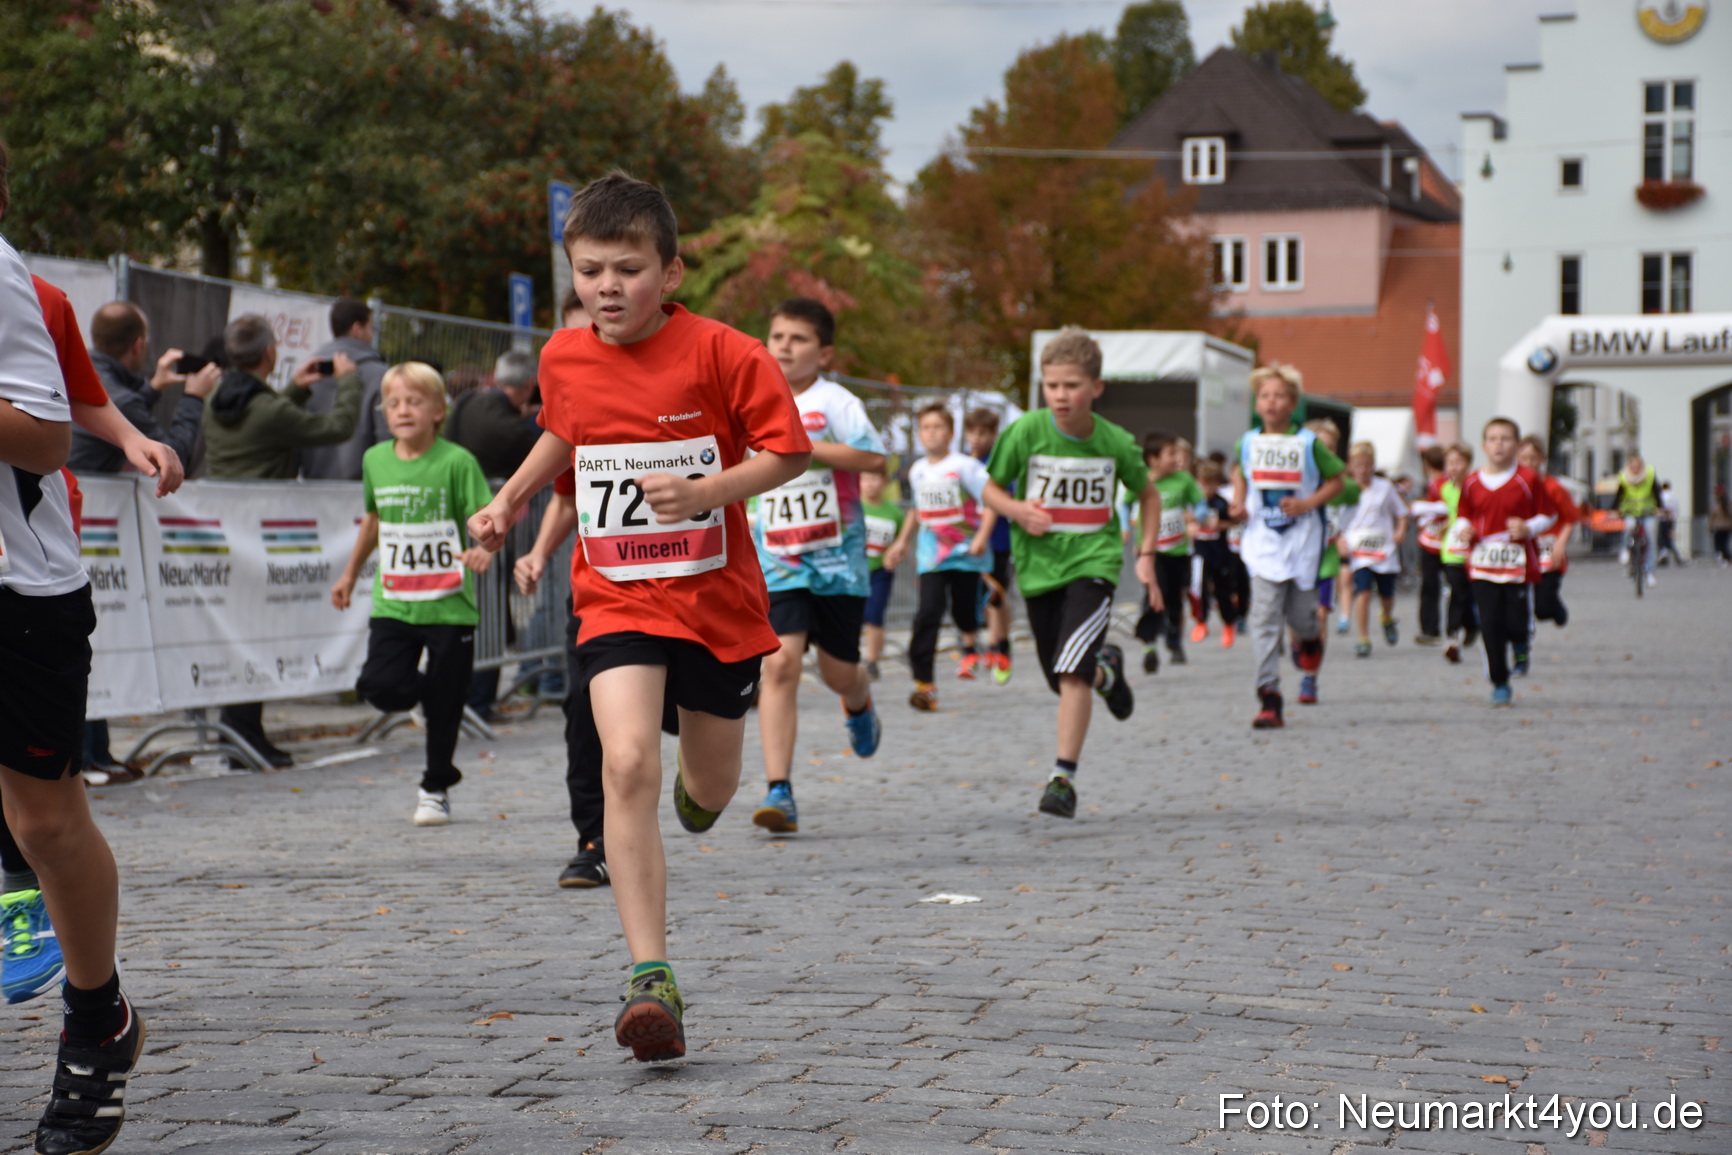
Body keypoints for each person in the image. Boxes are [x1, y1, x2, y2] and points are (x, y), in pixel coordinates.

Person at [468, 171, 811, 1063]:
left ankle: (700, 802)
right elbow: (567, 431)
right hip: (616, 591)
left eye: (628, 268)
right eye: (590, 270)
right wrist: (509, 502)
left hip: (715, 601)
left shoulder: (725, 353)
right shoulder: (565, 356)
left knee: (712, 786)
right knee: (624, 761)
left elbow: (787, 452)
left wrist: (705, 490)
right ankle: (649, 973)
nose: (607, 287)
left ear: (672, 270)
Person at [0, 164, 144, 1155]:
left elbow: (47, 439)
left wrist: (133, 437)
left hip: (19, 587)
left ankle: (97, 1016)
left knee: (44, 823)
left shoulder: (7, 279)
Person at [981, 327, 1157, 818]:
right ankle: (1107, 674)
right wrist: (1018, 509)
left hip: (1094, 564)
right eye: (1051, 385)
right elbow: (990, 490)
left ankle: (1063, 778)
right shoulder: (1025, 432)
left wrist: (1145, 553)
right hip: (1039, 569)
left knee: (1068, 669)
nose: (1060, 396)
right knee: (1063, 677)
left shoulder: (1114, 441)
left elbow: (1148, 494)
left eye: (1071, 385)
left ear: (1096, 388)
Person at [330, 362, 494, 826]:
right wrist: (348, 575)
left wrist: (483, 551)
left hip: (449, 605)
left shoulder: (457, 462)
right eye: (394, 403)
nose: (402, 410)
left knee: (445, 708)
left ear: (438, 410)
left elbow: (486, 518)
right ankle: (435, 696)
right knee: (380, 685)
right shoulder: (375, 460)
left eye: (414, 401)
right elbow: (374, 521)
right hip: (395, 600)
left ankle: (435, 788)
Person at [750, 298, 886, 835]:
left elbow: (875, 459)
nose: (784, 345)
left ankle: (859, 699)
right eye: (777, 335)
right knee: (779, 664)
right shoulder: (755, 399)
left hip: (837, 561)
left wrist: (808, 447)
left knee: (835, 672)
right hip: (778, 558)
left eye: (798, 338)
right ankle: (779, 790)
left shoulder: (837, 402)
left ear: (823, 352)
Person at [204, 314, 363, 766]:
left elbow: (264, 419)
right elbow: (335, 428)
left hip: (227, 532)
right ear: (269, 353)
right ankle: (243, 738)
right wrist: (348, 383)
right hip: (262, 537)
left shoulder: (218, 397)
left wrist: (296, 389)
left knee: (245, 634)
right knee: (257, 636)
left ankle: (240, 734)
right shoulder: (268, 409)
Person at [1228, 365, 1346, 730]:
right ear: (1256, 403)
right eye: (1264, 396)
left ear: (1293, 404)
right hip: (1264, 542)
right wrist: (1239, 500)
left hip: (1302, 542)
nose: (1271, 402)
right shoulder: (1247, 441)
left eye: (1279, 396)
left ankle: (1309, 640)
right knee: (1263, 620)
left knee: (1300, 618)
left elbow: (1337, 482)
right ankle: (1269, 696)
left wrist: (1308, 504)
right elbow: (1239, 470)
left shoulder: (1308, 444)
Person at [445, 349, 549, 718]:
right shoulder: (511, 430)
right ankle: (479, 700)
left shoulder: (469, 401)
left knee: (478, 610)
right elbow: (539, 456)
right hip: (488, 527)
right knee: (486, 611)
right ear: (526, 386)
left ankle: (470, 697)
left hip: (456, 519)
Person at [883, 403, 994, 712]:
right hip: (932, 555)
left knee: (964, 615)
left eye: (938, 427)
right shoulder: (918, 470)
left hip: (966, 554)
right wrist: (902, 542)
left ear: (951, 432)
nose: (931, 433)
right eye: (925, 428)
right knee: (928, 614)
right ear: (919, 435)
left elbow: (993, 501)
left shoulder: (966, 467)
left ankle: (977, 622)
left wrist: (983, 538)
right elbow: (918, 509)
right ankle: (924, 684)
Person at [1453, 418, 1556, 706]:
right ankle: (1500, 681)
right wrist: (1464, 528)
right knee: (1489, 624)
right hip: (1483, 564)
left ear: (1516, 445)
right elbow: (1464, 513)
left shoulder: (1528, 479)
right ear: (1484, 445)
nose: (1499, 444)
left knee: (1515, 621)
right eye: (1493, 438)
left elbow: (1549, 514)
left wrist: (1528, 528)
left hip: (1517, 566)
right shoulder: (1472, 481)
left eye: (1506, 438)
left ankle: (1521, 642)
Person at [68, 301, 219, 475]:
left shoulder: (79, 373)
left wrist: (153, 388)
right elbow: (172, 462)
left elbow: (121, 412)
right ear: (138, 345)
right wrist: (193, 398)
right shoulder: (123, 401)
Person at [299, 296, 391, 480]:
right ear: (357, 329)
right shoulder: (379, 375)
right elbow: (386, 440)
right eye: (370, 328)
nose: (372, 335)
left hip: (311, 485)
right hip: (361, 490)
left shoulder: (306, 374)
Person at [1134, 431, 1202, 672]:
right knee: (1152, 597)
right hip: (1151, 552)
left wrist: (1199, 517)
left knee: (1174, 600)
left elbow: (1200, 503)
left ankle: (1174, 642)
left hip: (1179, 552)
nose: (1177, 459)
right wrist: (1124, 526)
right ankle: (1149, 644)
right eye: (1171, 454)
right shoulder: (1141, 479)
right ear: (1153, 459)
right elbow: (1123, 503)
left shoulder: (1183, 480)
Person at [1338, 442, 1408, 659]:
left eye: (1368, 464)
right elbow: (1337, 520)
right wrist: (1340, 539)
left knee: (1387, 596)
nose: (1363, 469)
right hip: (1359, 552)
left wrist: (1401, 529)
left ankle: (1386, 617)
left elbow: (1402, 512)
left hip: (1383, 550)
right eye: (1359, 464)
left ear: (1373, 465)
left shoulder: (1385, 487)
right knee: (1364, 592)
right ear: (1351, 466)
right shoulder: (1345, 488)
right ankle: (1363, 638)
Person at [963, 408, 1015, 683]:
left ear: (994, 435)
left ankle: (1000, 646)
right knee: (968, 593)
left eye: (983, 433)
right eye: (972, 432)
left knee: (996, 593)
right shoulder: (959, 463)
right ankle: (969, 647)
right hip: (965, 540)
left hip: (997, 539)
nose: (976, 438)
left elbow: (1006, 498)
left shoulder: (997, 463)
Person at [1518, 435, 1577, 632]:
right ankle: (1523, 632)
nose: (1529, 463)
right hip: (1524, 549)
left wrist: (1561, 544)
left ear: (1543, 459)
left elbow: (1570, 518)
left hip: (1549, 550)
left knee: (1543, 607)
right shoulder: (1515, 485)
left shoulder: (1553, 487)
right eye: (1524, 458)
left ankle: (1558, 610)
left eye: (1533, 458)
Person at [859, 467, 904, 682]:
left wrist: (895, 554)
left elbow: (902, 542)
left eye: (875, 478)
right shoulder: (852, 507)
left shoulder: (894, 513)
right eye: (866, 478)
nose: (870, 483)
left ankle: (872, 661)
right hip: (855, 570)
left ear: (885, 482)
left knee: (875, 616)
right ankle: (849, 658)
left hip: (880, 571)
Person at [1189, 458, 1239, 648]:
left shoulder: (1221, 503)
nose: (1206, 489)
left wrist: (1220, 525)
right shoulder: (1193, 501)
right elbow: (1185, 518)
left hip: (1220, 551)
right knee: (1198, 586)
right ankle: (1201, 621)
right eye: (1203, 484)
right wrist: (1191, 525)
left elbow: (1234, 522)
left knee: (1223, 590)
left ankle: (1228, 623)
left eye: (1211, 485)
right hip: (1201, 551)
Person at [1413, 445, 1448, 645]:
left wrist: (1420, 508)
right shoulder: (1436, 483)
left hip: (1436, 541)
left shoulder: (1438, 484)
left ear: (1426, 464)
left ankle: (1431, 628)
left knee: (1430, 586)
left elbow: (1445, 508)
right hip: (1435, 540)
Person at [1614, 452, 1659, 588]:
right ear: (1629, 466)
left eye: (1638, 465)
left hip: (1647, 511)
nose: (1635, 468)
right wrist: (1614, 509)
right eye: (1633, 466)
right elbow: (1619, 494)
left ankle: (1650, 572)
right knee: (1628, 526)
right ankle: (1625, 550)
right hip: (1630, 510)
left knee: (1651, 536)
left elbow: (1657, 492)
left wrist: (1661, 508)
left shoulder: (1649, 474)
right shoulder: (1623, 476)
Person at [1657, 480, 1686, 567]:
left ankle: (1666, 555)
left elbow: (1663, 508)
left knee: (1663, 539)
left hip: (1663, 519)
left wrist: (1663, 514)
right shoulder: (1674, 496)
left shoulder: (1662, 496)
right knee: (1669, 538)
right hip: (1671, 519)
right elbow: (1676, 508)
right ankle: (1674, 557)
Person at [1709, 485, 1732, 565]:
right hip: (1727, 527)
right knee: (1724, 544)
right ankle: (1727, 558)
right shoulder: (1729, 506)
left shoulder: (1716, 507)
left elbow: (1712, 517)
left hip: (1718, 527)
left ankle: (1722, 558)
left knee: (1718, 544)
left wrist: (1710, 527)